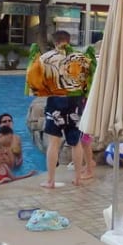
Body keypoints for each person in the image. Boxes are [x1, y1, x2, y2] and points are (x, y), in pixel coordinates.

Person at [26, 29, 95, 189]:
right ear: (68, 40)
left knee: (53, 143)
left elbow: (34, 77)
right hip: (74, 102)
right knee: (75, 143)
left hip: (56, 101)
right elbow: (89, 79)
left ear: (55, 42)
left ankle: (50, 180)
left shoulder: (46, 58)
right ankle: (77, 178)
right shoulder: (80, 57)